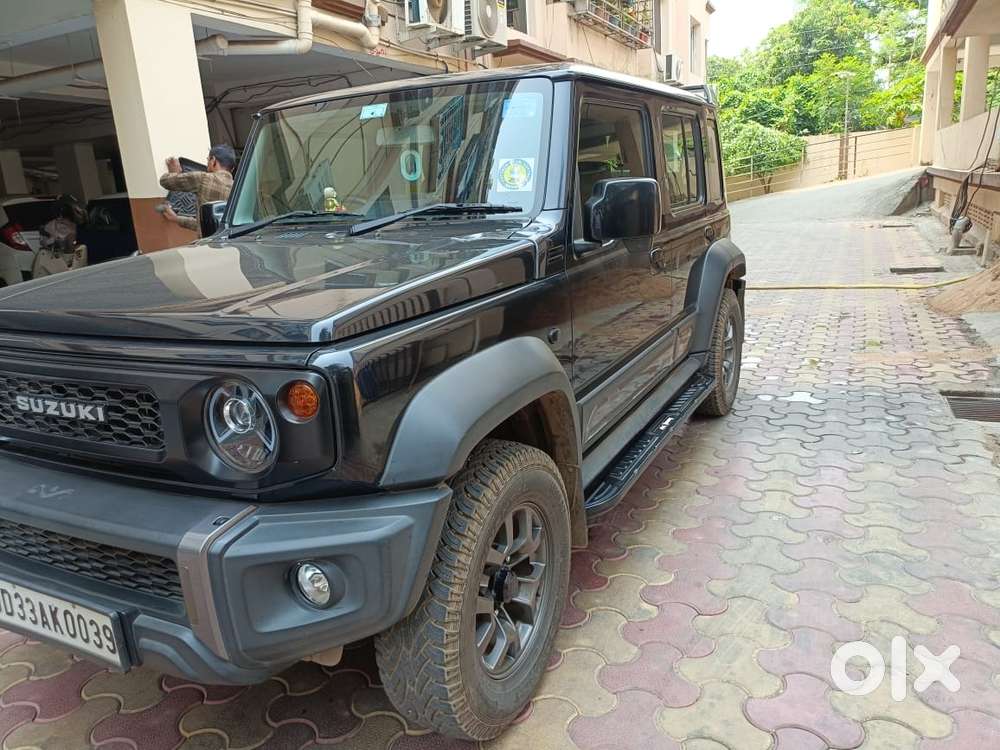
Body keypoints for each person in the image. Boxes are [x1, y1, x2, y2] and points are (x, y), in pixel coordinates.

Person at [159, 144, 236, 235]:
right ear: (232, 168)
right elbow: (203, 224)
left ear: (213, 161)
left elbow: (165, 181)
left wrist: (175, 172)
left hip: (209, 245)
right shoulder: (238, 188)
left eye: (208, 160)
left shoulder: (203, 179)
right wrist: (176, 218)